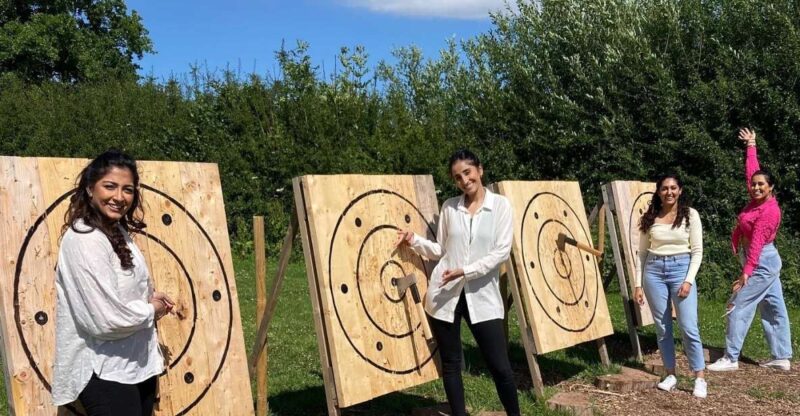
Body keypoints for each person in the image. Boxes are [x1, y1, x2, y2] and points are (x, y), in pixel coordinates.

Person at [395, 149, 520, 416]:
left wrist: (466, 271)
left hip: (483, 297)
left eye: (467, 172)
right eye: (457, 177)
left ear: (480, 170)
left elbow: (501, 252)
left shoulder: (501, 206)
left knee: (501, 368)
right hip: (445, 295)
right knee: (451, 364)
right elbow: (442, 249)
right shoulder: (450, 207)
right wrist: (414, 239)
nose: (464, 180)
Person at [52, 150, 174, 415]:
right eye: (110, 186)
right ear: (89, 189)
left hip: (134, 364)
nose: (119, 197)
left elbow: (120, 292)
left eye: (127, 189)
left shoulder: (116, 231)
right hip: (103, 369)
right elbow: (104, 320)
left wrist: (149, 298)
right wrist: (151, 310)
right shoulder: (85, 239)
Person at [708, 128, 793, 372]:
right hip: (763, 260)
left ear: (771, 188)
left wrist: (746, 272)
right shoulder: (756, 199)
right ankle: (781, 356)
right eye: (754, 185)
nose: (755, 187)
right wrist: (751, 146)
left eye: (761, 185)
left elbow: (756, 244)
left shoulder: (769, 212)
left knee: (739, 303)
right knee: (773, 306)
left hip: (761, 261)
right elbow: (751, 172)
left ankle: (730, 358)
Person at [635, 174, 707, 398]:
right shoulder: (650, 217)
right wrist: (637, 284)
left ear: (680, 190)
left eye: (673, 188)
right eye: (665, 188)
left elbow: (697, 251)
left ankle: (699, 378)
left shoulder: (690, 215)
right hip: (654, 271)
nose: (669, 192)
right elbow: (642, 253)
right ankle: (670, 374)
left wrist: (688, 280)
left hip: (681, 269)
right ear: (658, 192)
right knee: (663, 327)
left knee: (688, 327)